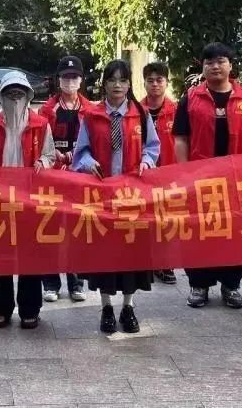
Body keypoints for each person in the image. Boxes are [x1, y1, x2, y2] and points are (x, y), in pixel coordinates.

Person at [173, 43, 242, 309]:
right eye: (209, 62)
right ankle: (198, 284)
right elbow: (181, 138)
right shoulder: (191, 98)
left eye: (221, 61)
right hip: (200, 179)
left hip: (237, 180)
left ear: (230, 65)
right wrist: (185, 172)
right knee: (199, 231)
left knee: (236, 231)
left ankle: (231, 285)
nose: (215, 66)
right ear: (202, 68)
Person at [72, 60, 160, 334]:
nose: (117, 85)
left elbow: (152, 147)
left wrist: (147, 161)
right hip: (103, 196)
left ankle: (128, 306)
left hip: (133, 197)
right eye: (112, 80)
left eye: (123, 80)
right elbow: (81, 152)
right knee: (105, 254)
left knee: (132, 253)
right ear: (104, 84)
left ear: (129, 84)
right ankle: (107, 307)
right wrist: (88, 163)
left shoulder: (140, 114)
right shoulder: (92, 115)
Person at [0, 71, 57, 329]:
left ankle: (30, 308)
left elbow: (50, 155)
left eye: (20, 94)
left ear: (28, 96)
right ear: (2, 97)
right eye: (10, 94)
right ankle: (1, 307)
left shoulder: (41, 124)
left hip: (30, 199)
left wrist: (43, 162)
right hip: (0, 199)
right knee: (2, 256)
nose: (15, 99)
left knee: (30, 255)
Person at [38, 55, 91, 303]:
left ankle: (76, 283)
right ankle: (50, 283)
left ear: (81, 80)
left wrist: (77, 156)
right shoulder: (47, 110)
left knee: (76, 229)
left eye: (74, 77)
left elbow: (94, 142)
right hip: (53, 176)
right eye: (66, 77)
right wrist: (53, 155)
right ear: (58, 80)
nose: (70, 81)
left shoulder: (90, 110)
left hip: (79, 176)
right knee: (49, 228)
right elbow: (40, 141)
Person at [141, 61, 178, 285]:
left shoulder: (177, 111)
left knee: (168, 220)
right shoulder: (135, 111)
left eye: (159, 80)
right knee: (145, 219)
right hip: (143, 174)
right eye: (150, 80)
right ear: (144, 83)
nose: (155, 84)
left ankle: (166, 264)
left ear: (166, 83)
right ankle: (146, 262)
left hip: (170, 175)